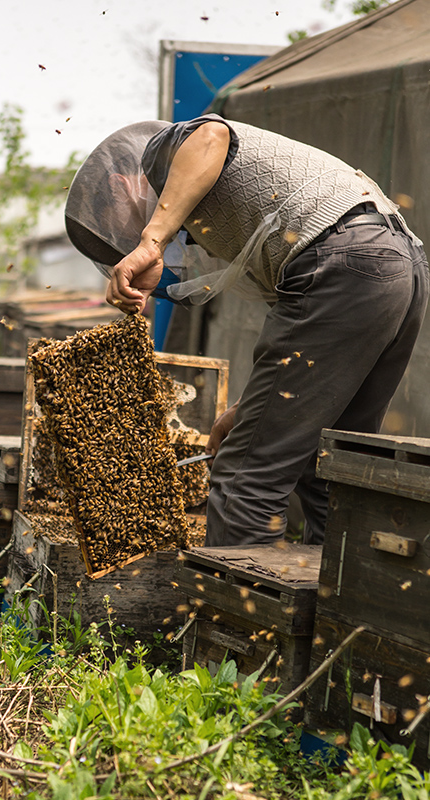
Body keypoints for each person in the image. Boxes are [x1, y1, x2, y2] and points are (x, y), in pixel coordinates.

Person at [64, 114, 429, 547]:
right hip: (397, 266)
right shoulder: (240, 216)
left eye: (117, 225)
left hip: (345, 263)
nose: (123, 239)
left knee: (244, 476)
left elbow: (213, 134)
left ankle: (243, 611)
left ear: (122, 186)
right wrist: (247, 409)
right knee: (332, 462)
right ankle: (342, 611)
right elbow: (302, 337)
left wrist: (151, 241)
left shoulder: (165, 152)